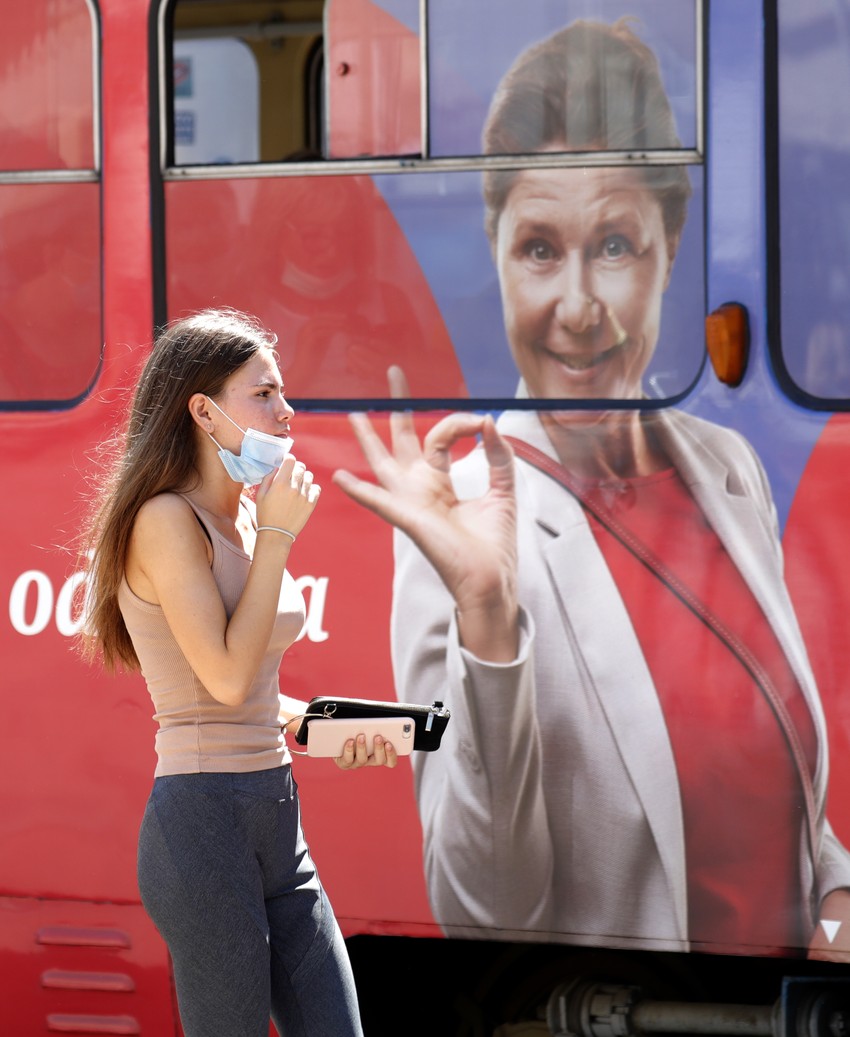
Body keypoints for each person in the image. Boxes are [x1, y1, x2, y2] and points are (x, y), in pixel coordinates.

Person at [333, 19, 850, 960]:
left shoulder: (726, 469)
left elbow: (788, 800)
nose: (576, 307)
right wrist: (488, 620)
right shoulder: (461, 523)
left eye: (614, 245)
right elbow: (481, 914)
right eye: (539, 248)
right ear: (496, 249)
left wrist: (837, 906)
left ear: (669, 248)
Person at [78, 308, 398, 1037]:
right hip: (202, 825)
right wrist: (279, 536)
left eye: (282, 393)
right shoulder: (166, 520)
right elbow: (221, 681)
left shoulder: (250, 517)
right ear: (203, 411)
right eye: (265, 393)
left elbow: (246, 691)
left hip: (276, 817)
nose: (287, 411)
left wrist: (323, 726)